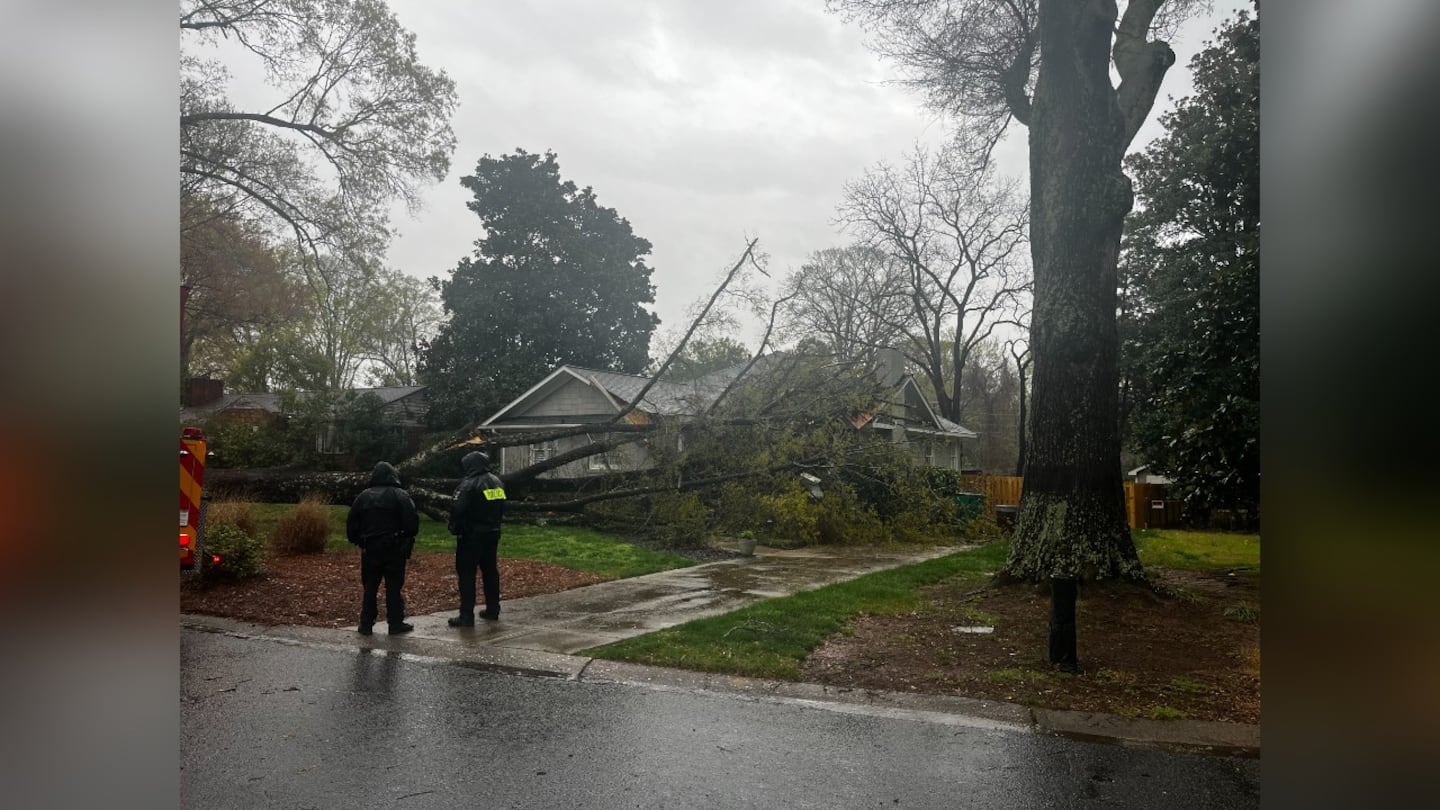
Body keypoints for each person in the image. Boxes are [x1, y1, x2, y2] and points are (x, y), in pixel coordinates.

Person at [346, 461, 420, 636]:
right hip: (394, 548)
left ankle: (366, 624)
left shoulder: (363, 497)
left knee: (370, 587)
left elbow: (351, 526)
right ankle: (395, 624)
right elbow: (412, 524)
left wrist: (360, 541)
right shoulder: (400, 495)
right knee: (394, 587)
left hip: (370, 548)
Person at [448, 450, 506, 626]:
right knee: (490, 571)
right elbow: (501, 507)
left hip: (471, 534)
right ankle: (493, 609)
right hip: (492, 532)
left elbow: (458, 508)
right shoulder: (497, 483)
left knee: (466, 574)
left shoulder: (468, 485)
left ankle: (466, 615)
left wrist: (455, 528)